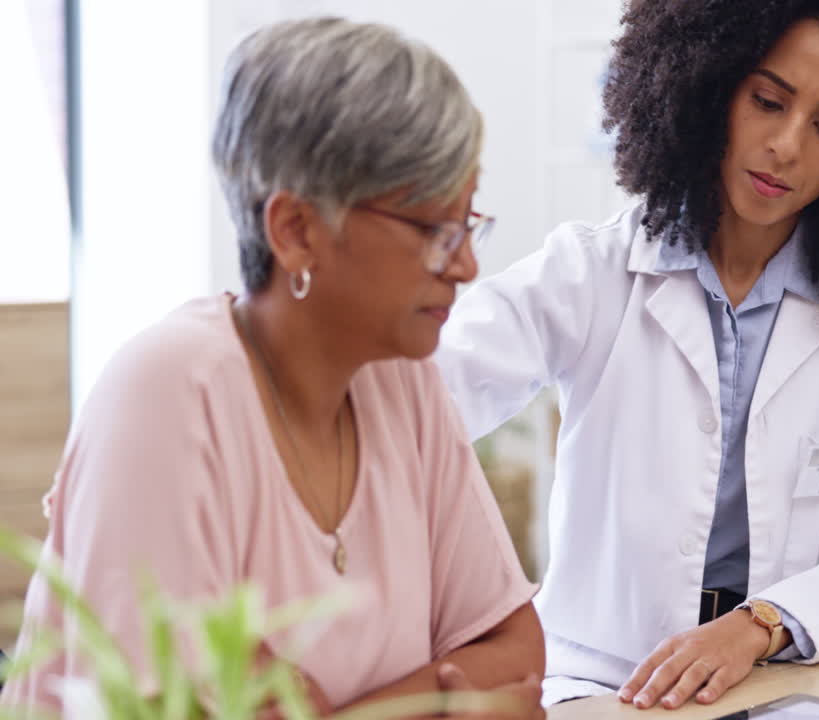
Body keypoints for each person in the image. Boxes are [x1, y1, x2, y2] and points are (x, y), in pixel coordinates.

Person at [433, 0, 819, 710]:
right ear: (708, 84)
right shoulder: (593, 271)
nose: (786, 146)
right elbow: (422, 399)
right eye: (767, 101)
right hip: (602, 677)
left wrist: (759, 626)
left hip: (783, 676)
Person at [1, 17, 545, 718]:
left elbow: (514, 649)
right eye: (435, 231)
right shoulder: (165, 393)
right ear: (294, 231)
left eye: (468, 226)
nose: (465, 265)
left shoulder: (400, 377)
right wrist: (441, 701)